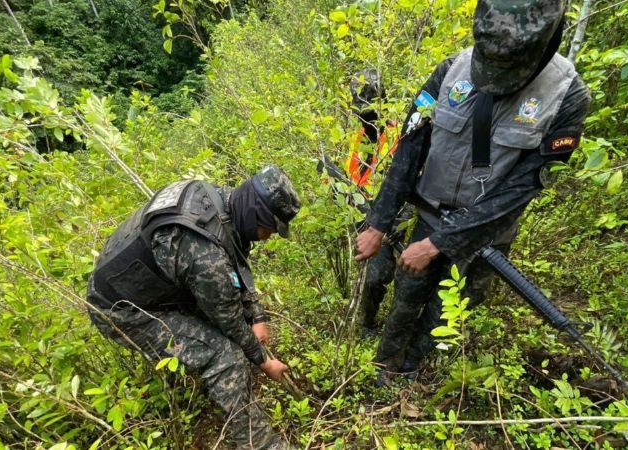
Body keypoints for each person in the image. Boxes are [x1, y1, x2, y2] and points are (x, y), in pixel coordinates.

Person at [355, 0, 592, 380]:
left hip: (487, 237)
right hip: (430, 216)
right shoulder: (450, 71)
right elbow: (409, 148)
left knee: (447, 313)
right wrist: (379, 223)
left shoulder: (567, 98)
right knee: (406, 297)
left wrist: (439, 244)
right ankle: (383, 368)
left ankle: (414, 372)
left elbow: (520, 190)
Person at [86, 166, 301, 450]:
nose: (267, 238)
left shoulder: (219, 201)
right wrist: (263, 361)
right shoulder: (205, 255)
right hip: (121, 310)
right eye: (269, 229)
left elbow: (234, 254)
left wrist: (257, 314)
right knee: (226, 356)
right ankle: (259, 444)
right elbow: (230, 321)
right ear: (255, 214)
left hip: (148, 287)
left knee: (222, 328)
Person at [344, 69, 410, 336]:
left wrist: (394, 223)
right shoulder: (355, 137)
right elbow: (348, 179)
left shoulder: (399, 137)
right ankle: (366, 323)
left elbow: (408, 184)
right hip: (361, 215)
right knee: (368, 278)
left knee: (382, 278)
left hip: (389, 221)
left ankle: (382, 326)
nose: (364, 115)